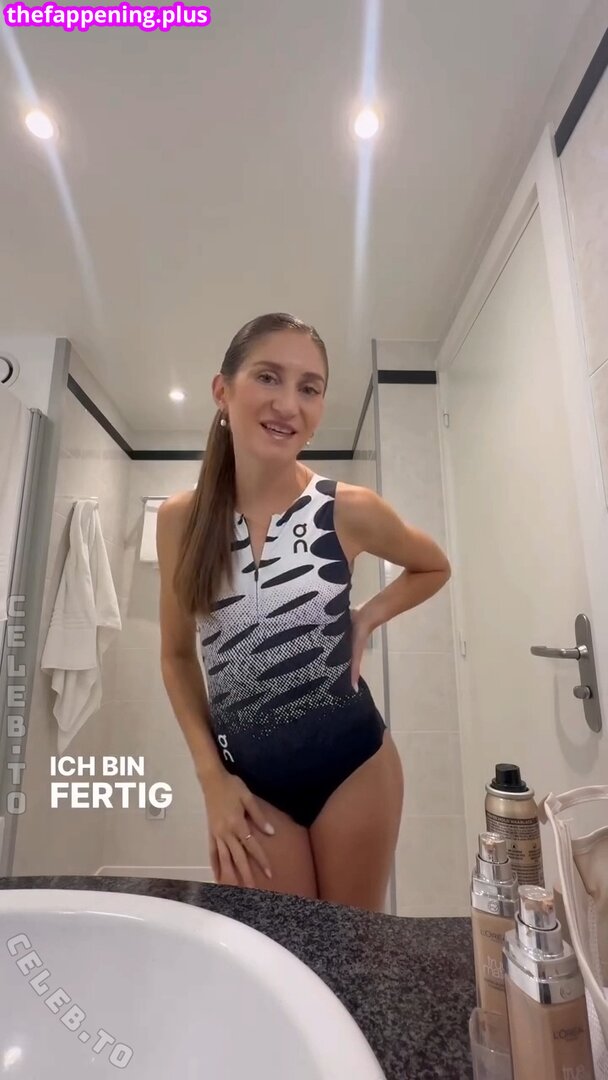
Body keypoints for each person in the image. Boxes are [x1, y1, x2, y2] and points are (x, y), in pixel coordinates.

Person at [156, 312, 451, 912]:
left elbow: (433, 566)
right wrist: (212, 780)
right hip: (251, 787)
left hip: (355, 768)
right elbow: (177, 656)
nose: (288, 404)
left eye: (309, 388)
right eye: (268, 377)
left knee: (351, 948)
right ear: (222, 390)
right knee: (280, 953)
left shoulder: (348, 508)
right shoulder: (180, 521)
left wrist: (365, 617)